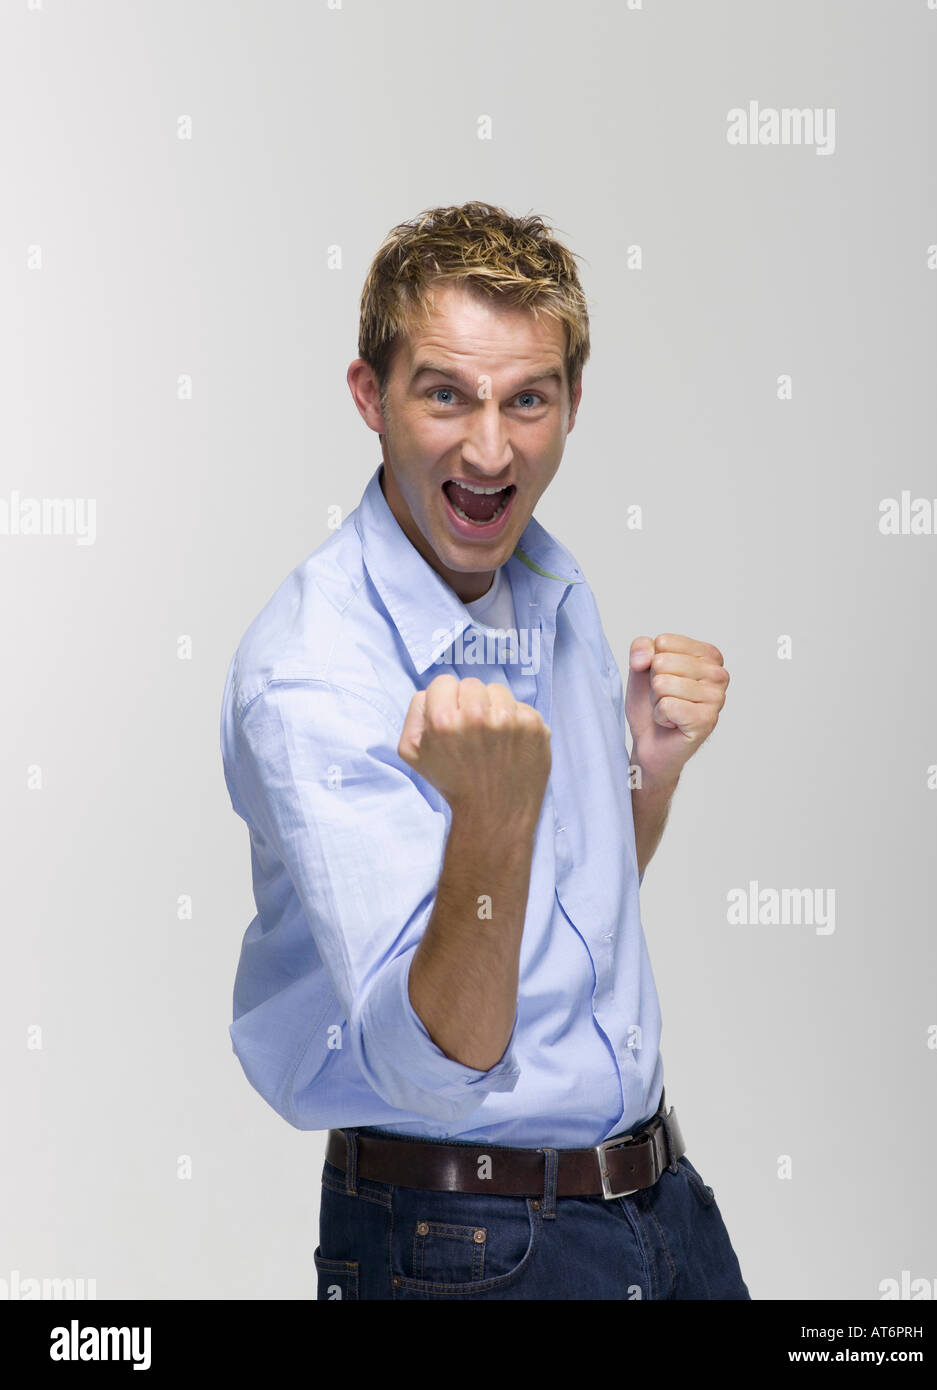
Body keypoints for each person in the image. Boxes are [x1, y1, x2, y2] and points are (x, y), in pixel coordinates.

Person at [219, 201, 750, 1300]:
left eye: (527, 400)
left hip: (659, 1205)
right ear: (370, 398)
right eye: (445, 394)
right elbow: (440, 1051)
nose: (490, 448)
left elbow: (566, 916)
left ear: (571, 404)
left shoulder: (547, 585)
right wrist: (493, 819)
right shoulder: (316, 671)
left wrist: (646, 767)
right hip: (467, 1243)